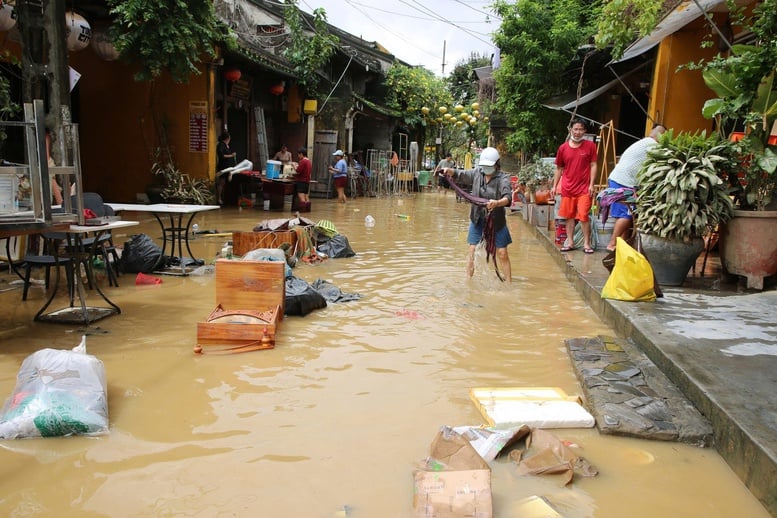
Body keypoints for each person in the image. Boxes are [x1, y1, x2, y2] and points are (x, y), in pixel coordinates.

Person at [443, 146, 513, 284]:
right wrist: (449, 171)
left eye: (489, 166)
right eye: (484, 166)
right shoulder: (477, 173)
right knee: (472, 251)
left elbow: (508, 197)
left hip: (496, 221)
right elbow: (461, 174)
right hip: (477, 219)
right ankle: (468, 282)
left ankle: (509, 284)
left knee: (502, 253)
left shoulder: (503, 178)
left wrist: (497, 203)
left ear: (496, 164)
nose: (486, 169)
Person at [605, 124, 666, 251]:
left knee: (624, 214)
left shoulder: (642, 143)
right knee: (626, 215)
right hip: (624, 182)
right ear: (661, 136)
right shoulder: (653, 145)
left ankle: (622, 245)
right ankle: (612, 244)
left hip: (616, 179)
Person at [551, 118, 598, 254]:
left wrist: (592, 184)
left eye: (581, 129)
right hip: (567, 188)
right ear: (570, 129)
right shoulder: (563, 148)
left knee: (583, 215)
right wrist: (554, 186)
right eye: (575, 129)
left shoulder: (590, 146)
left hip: (584, 188)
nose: (578, 132)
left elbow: (594, 165)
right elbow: (559, 168)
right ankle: (570, 242)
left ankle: (587, 244)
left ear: (585, 131)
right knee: (569, 216)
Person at [216, 131, 236, 205]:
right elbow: (222, 156)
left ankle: (224, 198)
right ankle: (219, 198)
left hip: (227, 166)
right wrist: (231, 155)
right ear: (227, 138)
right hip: (223, 166)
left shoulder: (225, 145)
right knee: (221, 182)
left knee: (225, 183)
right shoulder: (221, 145)